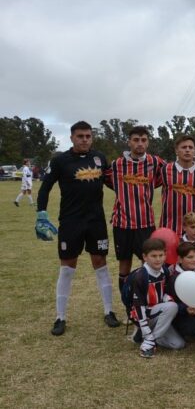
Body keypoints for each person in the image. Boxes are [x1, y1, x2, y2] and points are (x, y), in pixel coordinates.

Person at [36, 121, 119, 335]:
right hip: (71, 221)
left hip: (96, 221)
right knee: (67, 267)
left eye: (88, 136)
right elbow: (45, 187)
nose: (85, 139)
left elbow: (115, 184)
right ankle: (60, 317)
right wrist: (41, 213)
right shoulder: (60, 161)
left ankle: (109, 311)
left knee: (100, 263)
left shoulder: (100, 159)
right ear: (72, 137)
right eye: (80, 136)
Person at [105, 126, 166, 305]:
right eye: (136, 140)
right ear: (129, 141)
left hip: (145, 223)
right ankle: (129, 306)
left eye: (144, 140)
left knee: (148, 266)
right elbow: (108, 180)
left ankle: (147, 304)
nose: (140, 143)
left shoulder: (156, 162)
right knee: (124, 266)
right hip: (122, 223)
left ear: (148, 142)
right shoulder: (116, 165)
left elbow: (173, 170)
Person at [130, 238, 185, 358]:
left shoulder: (164, 271)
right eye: (153, 256)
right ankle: (147, 339)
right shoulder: (140, 276)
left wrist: (168, 301)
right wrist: (145, 328)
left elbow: (164, 294)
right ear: (145, 257)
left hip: (159, 313)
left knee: (178, 344)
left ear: (165, 255)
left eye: (161, 255)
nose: (158, 259)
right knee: (172, 306)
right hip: (144, 315)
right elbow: (138, 306)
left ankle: (149, 338)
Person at [159, 135, 195, 233]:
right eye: (184, 147)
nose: (187, 150)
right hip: (169, 226)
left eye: (190, 147)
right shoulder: (165, 169)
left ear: (194, 151)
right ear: (176, 151)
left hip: (193, 229)